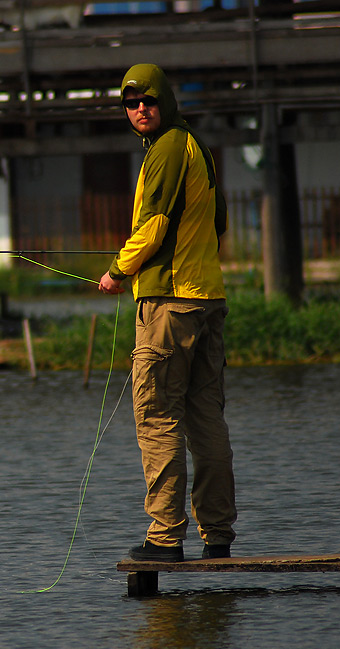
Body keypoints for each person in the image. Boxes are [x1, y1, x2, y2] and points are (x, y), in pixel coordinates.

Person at [98, 63, 237, 562]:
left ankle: (164, 538)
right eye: (130, 104)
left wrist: (118, 270)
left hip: (169, 305)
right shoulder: (197, 147)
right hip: (208, 300)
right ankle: (217, 536)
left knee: (156, 416)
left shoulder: (165, 150)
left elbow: (154, 225)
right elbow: (219, 220)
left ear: (166, 102)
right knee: (206, 418)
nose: (139, 110)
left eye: (148, 101)